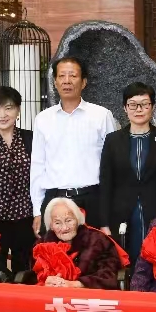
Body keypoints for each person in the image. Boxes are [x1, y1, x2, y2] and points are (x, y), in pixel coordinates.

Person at [30, 57, 117, 228]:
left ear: (83, 82)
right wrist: (37, 211)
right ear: (55, 82)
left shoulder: (101, 115)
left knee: (94, 245)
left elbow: (112, 163)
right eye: (62, 76)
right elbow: (38, 165)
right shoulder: (43, 119)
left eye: (73, 75)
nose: (67, 81)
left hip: (92, 199)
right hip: (54, 200)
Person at [97, 82, 156, 264]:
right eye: (133, 105)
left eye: (144, 104)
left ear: (153, 107)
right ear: (125, 108)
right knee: (127, 260)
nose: (139, 109)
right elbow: (106, 182)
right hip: (122, 212)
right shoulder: (113, 141)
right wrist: (104, 223)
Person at [0, 86, 35, 275]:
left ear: (18, 110)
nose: (2, 115)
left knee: (26, 268)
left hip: (26, 217)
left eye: (8, 108)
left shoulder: (30, 138)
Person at [33, 197, 126, 289]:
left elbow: (109, 275)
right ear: (51, 226)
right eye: (57, 223)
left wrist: (77, 284)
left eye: (69, 220)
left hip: (88, 296)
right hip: (51, 296)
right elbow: (32, 277)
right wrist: (45, 282)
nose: (65, 228)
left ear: (78, 219)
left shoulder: (97, 241)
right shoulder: (41, 245)